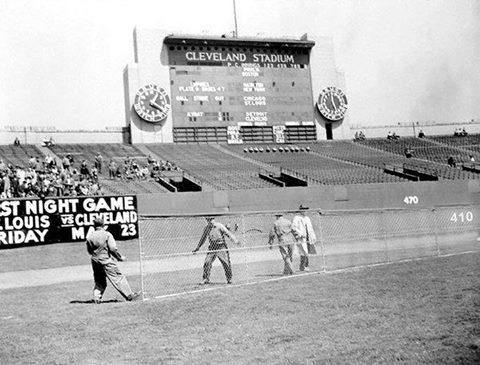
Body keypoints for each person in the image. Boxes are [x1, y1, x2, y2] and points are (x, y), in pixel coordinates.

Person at [86, 218, 140, 303]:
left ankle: (96, 298)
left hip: (95, 260)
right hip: (105, 260)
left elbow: (89, 251)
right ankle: (129, 295)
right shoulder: (107, 234)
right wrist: (119, 257)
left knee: (99, 281)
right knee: (118, 277)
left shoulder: (90, 237)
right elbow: (112, 248)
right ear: (103, 225)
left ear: (94, 226)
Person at [192, 216, 240, 284]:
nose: (210, 221)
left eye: (211, 219)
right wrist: (197, 248)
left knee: (226, 263)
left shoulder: (219, 226)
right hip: (212, 247)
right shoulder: (207, 228)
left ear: (213, 219)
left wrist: (235, 240)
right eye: (208, 220)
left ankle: (229, 279)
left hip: (221, 247)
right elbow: (203, 239)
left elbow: (228, 234)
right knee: (207, 262)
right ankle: (206, 279)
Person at [291, 204, 317, 272]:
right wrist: (300, 234)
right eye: (303, 209)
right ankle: (303, 266)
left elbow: (310, 228)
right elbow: (294, 227)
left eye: (305, 209)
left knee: (307, 252)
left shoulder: (307, 218)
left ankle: (304, 266)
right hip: (301, 237)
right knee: (303, 252)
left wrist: (313, 236)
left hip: (308, 237)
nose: (304, 211)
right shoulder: (296, 218)